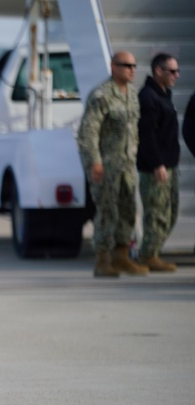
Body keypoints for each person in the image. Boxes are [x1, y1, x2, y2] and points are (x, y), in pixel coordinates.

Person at [78, 51, 149, 278]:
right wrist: (95, 163)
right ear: (113, 67)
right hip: (106, 166)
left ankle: (121, 257)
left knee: (128, 211)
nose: (132, 69)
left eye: (134, 65)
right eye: (126, 65)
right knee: (107, 211)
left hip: (127, 166)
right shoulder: (101, 95)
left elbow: (134, 132)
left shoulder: (133, 95)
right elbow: (88, 133)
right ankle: (102, 260)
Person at [136, 53, 181, 273]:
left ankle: (152, 251)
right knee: (156, 213)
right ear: (158, 71)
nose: (177, 75)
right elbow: (146, 135)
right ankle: (148, 255)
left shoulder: (163, 95)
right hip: (156, 168)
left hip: (169, 165)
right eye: (172, 71)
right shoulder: (148, 97)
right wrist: (157, 164)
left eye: (177, 71)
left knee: (170, 213)